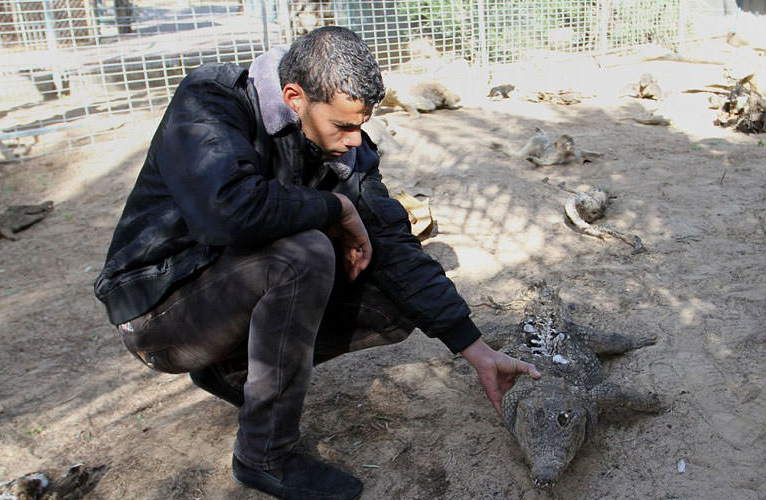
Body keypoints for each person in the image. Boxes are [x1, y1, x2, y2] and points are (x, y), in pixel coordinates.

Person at [94, 26, 541, 500]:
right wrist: (336, 210)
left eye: (361, 125)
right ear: (294, 97)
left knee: (392, 292)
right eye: (343, 126)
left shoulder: (346, 148)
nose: (354, 140)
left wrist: (473, 347)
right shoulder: (211, 100)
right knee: (303, 254)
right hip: (156, 314)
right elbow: (226, 213)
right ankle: (264, 456)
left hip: (225, 295)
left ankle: (232, 371)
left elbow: (392, 243)